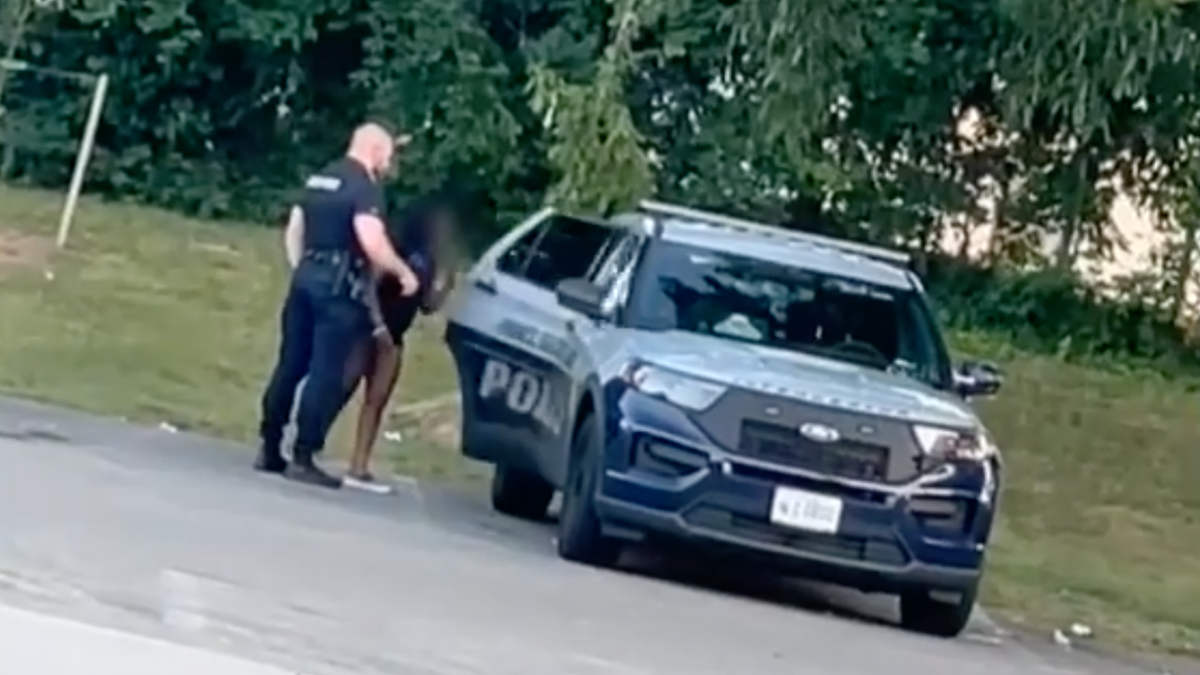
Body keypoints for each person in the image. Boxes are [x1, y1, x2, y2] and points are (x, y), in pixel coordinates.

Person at [255, 122, 421, 489]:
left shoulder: (320, 179)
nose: (389, 163)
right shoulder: (364, 188)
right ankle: (304, 453)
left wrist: (303, 269)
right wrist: (403, 272)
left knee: (290, 364)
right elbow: (372, 241)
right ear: (375, 149)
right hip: (338, 286)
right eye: (389, 154)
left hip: (305, 278)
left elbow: (294, 229)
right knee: (325, 371)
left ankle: (269, 445)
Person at [342, 197, 458, 493]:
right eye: (442, 225)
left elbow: (427, 306)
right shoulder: (397, 248)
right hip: (369, 327)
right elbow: (372, 284)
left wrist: (446, 283)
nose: (446, 231)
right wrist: (377, 326)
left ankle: (360, 463)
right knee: (343, 385)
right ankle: (310, 439)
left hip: (395, 335)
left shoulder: (429, 261)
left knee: (376, 401)